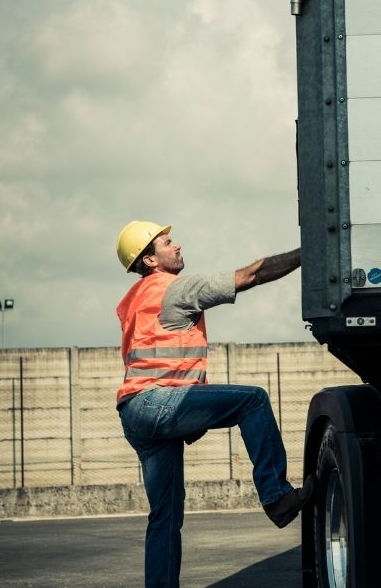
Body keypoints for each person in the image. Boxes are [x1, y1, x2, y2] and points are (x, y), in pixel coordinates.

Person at [114, 220, 313, 588]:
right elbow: (251, 275)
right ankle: (277, 497)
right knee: (253, 400)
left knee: (165, 518)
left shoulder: (134, 299)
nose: (177, 246)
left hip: (134, 411)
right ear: (151, 261)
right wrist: (309, 253)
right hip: (158, 403)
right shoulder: (174, 288)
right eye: (167, 243)